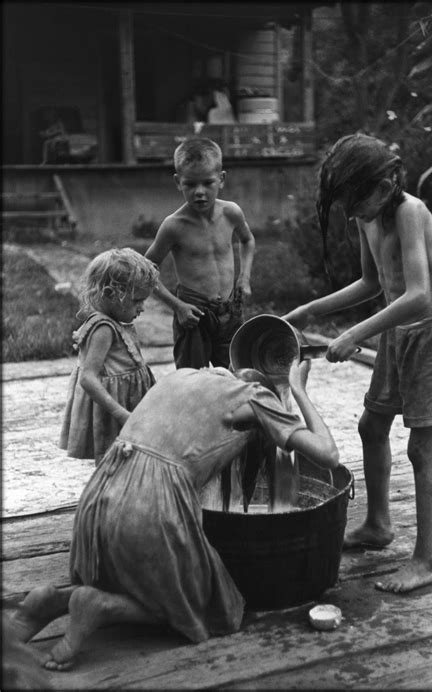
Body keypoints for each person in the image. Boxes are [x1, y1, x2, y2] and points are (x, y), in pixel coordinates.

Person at [11, 359, 339, 671]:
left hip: (98, 496)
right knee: (211, 607)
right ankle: (103, 608)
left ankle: (55, 601)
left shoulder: (183, 378)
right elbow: (328, 455)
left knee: (130, 576)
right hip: (149, 503)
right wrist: (298, 389)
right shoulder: (256, 399)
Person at [283, 133, 432, 594]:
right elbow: (371, 282)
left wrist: (353, 334)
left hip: (431, 335)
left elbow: (419, 293)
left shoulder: (409, 212)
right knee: (371, 426)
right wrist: (312, 310)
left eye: (355, 198)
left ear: (386, 183)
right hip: (396, 333)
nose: (350, 211)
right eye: (343, 201)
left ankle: (426, 560)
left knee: (422, 448)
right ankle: (378, 524)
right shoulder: (368, 218)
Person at [145, 137, 255, 370]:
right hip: (193, 314)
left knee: (239, 374)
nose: (200, 192)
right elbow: (145, 270)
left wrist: (244, 277)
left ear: (221, 179)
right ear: (178, 182)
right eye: (191, 184)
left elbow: (247, 240)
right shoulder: (173, 226)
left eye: (208, 183)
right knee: (192, 380)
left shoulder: (231, 213)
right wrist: (177, 306)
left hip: (230, 311)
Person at [59, 248, 160, 465]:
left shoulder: (116, 323)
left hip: (127, 400)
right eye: (137, 301)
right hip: (114, 408)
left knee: (129, 459)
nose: (142, 308)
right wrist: (121, 413)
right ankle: (108, 497)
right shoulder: (103, 328)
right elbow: (88, 378)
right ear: (110, 294)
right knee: (114, 460)